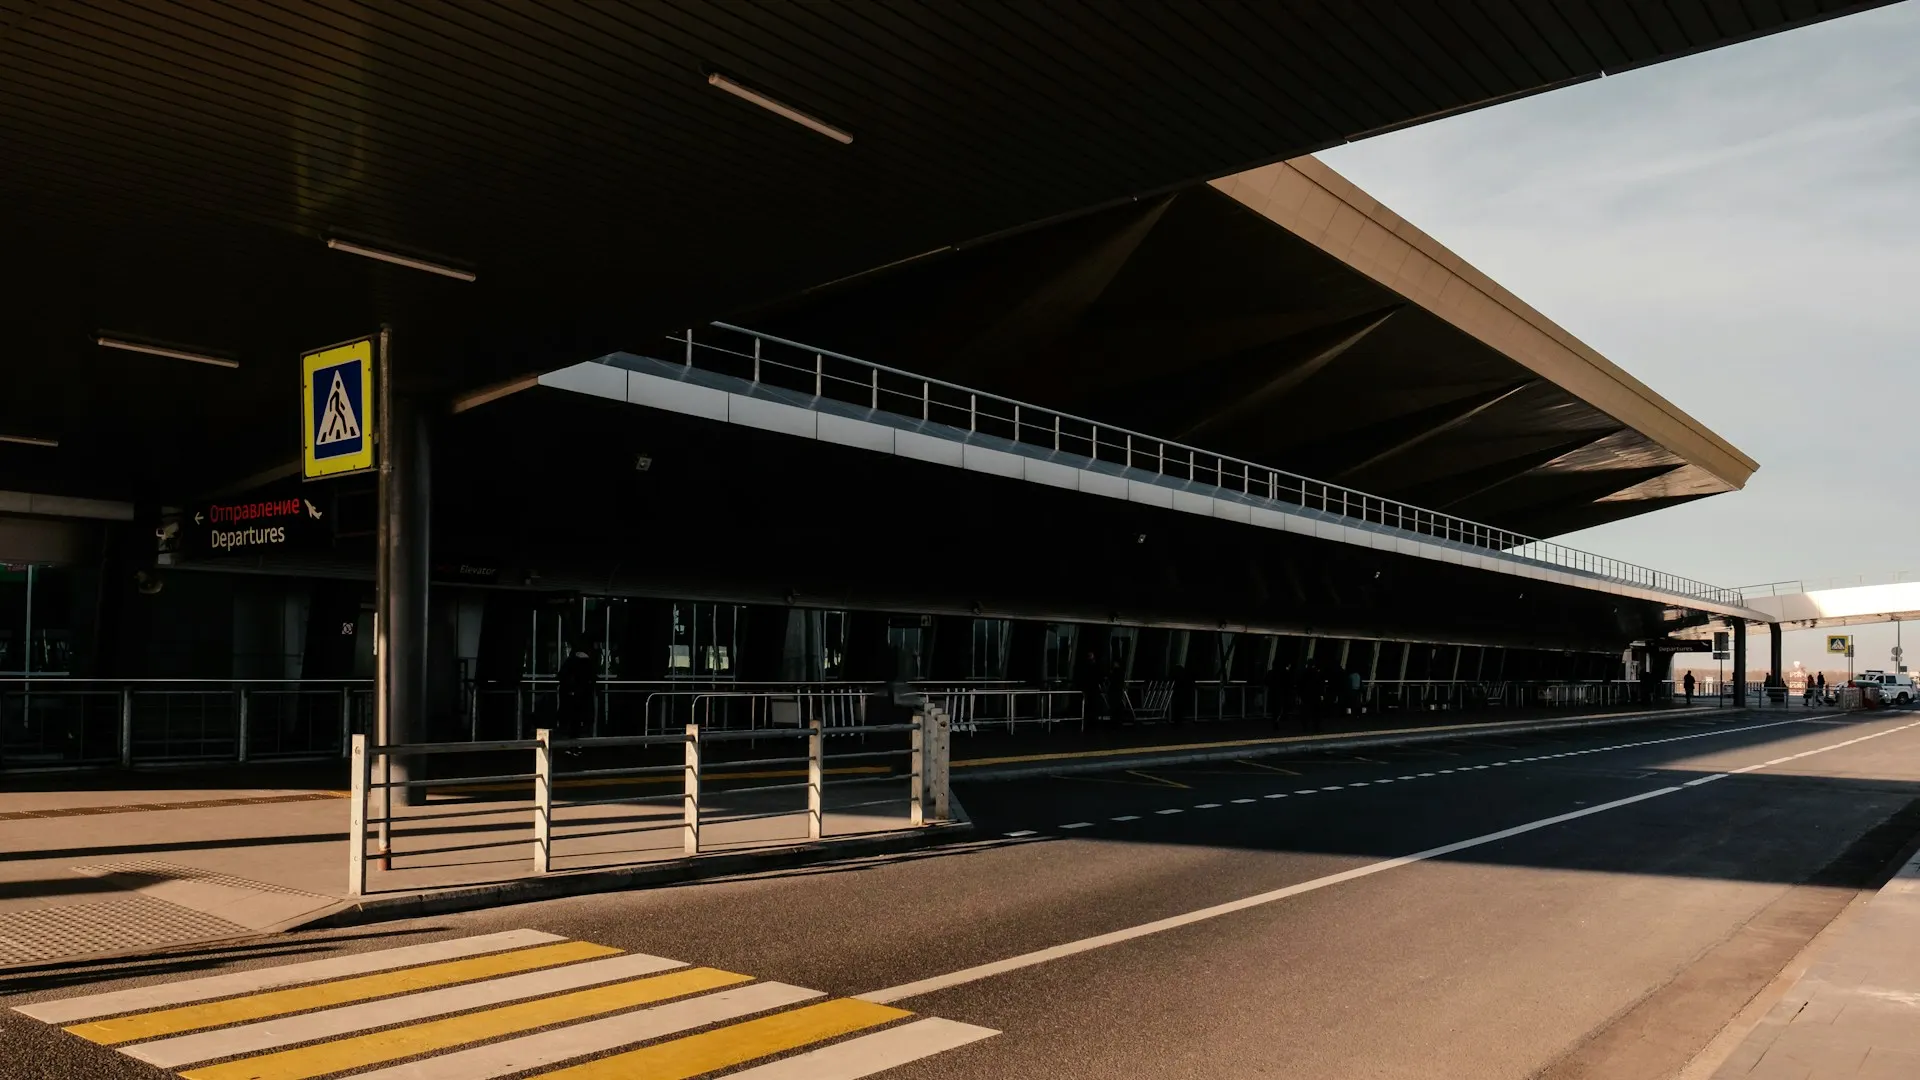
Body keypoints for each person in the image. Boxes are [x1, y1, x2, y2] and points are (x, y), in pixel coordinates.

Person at [556, 638, 599, 754]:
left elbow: (561, 676)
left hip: (570, 697)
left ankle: (571, 746)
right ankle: (576, 745)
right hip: (583, 697)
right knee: (578, 723)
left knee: (571, 722)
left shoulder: (571, 662)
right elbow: (593, 679)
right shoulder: (588, 663)